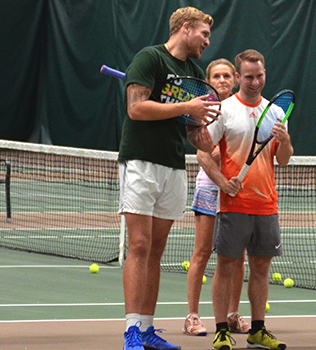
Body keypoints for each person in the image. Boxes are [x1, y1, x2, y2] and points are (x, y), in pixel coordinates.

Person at [118, 6, 218, 350]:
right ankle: (131, 330)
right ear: (186, 28)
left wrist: (200, 134)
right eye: (203, 34)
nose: (207, 41)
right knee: (140, 245)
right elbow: (136, 109)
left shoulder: (195, 71)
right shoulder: (149, 59)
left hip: (174, 165)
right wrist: (186, 108)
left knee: (157, 250)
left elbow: (190, 129)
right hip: (140, 161)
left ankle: (146, 329)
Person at [202, 48, 292, 350]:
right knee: (226, 266)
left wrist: (286, 141)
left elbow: (283, 160)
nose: (255, 82)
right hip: (234, 205)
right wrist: (222, 182)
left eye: (260, 76)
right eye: (249, 77)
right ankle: (221, 330)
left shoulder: (276, 112)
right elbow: (203, 152)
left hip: (267, 204)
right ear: (238, 76)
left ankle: (257, 330)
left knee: (261, 269)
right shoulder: (224, 109)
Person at [184, 58, 251, 337]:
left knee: (237, 257)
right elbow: (207, 154)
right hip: (210, 189)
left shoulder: (243, 111)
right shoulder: (204, 112)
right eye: (216, 76)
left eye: (226, 75)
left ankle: (232, 315)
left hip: (237, 190)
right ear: (209, 81)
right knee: (201, 253)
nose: (222, 80)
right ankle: (192, 316)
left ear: (235, 79)